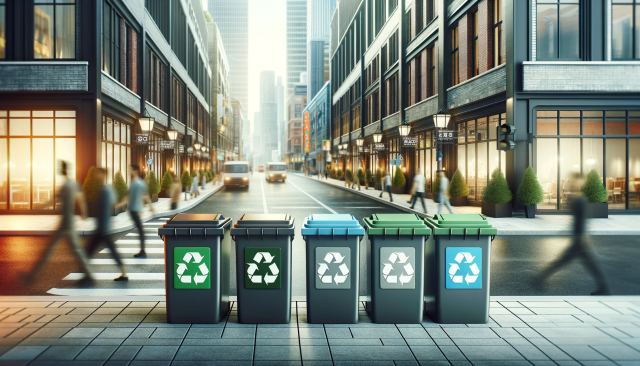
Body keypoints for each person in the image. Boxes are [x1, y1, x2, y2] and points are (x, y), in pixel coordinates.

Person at [537, 173, 610, 295]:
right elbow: (578, 219)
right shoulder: (578, 198)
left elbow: (581, 219)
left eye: (576, 181)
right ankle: (603, 287)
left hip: (579, 239)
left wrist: (582, 236)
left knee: (566, 261)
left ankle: (539, 279)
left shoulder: (580, 199)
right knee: (586, 263)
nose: (573, 183)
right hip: (579, 238)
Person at [27, 161, 93, 280]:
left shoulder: (66, 185)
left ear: (63, 170)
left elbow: (53, 200)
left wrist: (38, 208)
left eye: (59, 168)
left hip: (65, 224)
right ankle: (88, 273)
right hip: (68, 222)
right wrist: (84, 213)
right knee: (76, 250)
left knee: (49, 250)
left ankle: (32, 275)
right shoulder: (72, 184)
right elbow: (81, 198)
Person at [86, 168, 127, 281]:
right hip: (103, 227)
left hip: (103, 228)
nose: (97, 176)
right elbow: (112, 206)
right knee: (92, 251)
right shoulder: (107, 189)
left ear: (104, 175)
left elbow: (112, 206)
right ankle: (123, 273)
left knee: (89, 251)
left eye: (99, 174)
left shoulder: (106, 190)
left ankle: (87, 274)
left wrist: (123, 202)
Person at [119, 164, 155, 258]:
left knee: (141, 231)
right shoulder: (133, 182)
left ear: (135, 171)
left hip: (135, 210)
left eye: (130, 169)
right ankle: (142, 250)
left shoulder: (139, 183)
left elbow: (145, 195)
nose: (128, 171)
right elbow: (128, 196)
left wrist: (150, 206)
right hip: (133, 210)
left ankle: (143, 251)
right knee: (140, 230)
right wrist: (119, 204)